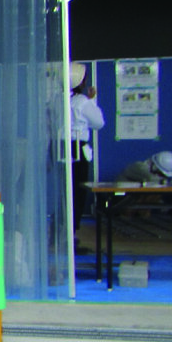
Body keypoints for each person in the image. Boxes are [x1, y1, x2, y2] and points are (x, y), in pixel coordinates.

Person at [69, 62, 106, 246]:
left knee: (65, 192)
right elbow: (98, 123)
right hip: (78, 151)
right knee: (78, 191)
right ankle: (72, 231)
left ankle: (64, 228)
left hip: (61, 149)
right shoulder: (82, 102)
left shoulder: (57, 99)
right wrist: (92, 100)